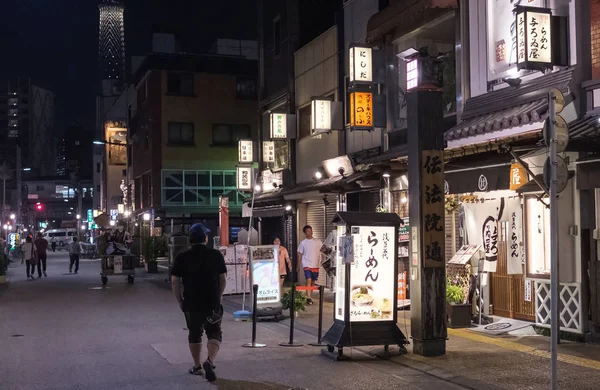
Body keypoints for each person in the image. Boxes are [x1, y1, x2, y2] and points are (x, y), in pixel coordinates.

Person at [171, 223, 227, 382]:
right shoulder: (216, 255)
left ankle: (196, 366)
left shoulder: (182, 256)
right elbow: (222, 279)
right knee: (214, 332)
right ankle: (210, 360)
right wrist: (218, 296)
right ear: (206, 238)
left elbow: (175, 281)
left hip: (191, 303)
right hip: (212, 304)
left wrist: (180, 301)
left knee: (195, 333)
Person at [297, 225, 323, 304]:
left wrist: (323, 260)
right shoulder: (303, 243)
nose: (310, 232)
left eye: (311, 230)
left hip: (315, 264)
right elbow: (300, 254)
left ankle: (309, 295)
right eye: (308, 231)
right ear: (305, 233)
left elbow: (323, 251)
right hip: (306, 264)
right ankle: (308, 297)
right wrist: (298, 265)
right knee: (308, 279)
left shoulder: (318, 241)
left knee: (313, 281)